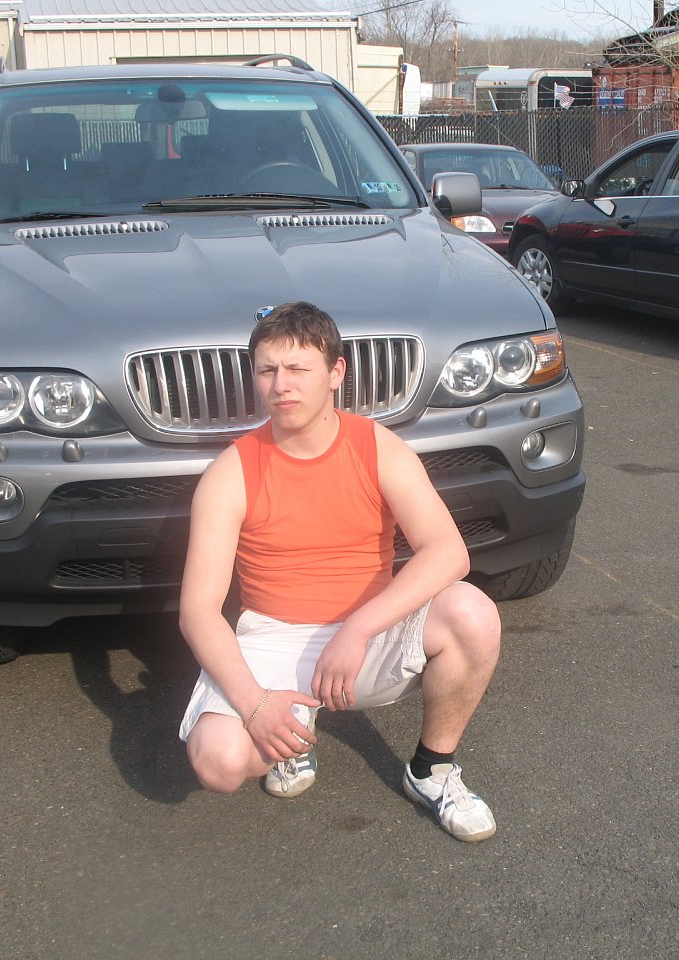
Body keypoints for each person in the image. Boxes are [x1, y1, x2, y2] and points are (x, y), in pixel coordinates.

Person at [177, 301, 502, 842]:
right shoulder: (231, 472)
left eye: (298, 369)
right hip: (275, 637)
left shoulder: (376, 447)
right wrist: (256, 706)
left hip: (366, 635)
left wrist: (358, 628)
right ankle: (291, 730)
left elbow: (449, 552)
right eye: (267, 370)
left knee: (473, 613)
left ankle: (431, 771)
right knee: (220, 762)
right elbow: (197, 610)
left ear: (335, 373)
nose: (281, 385)